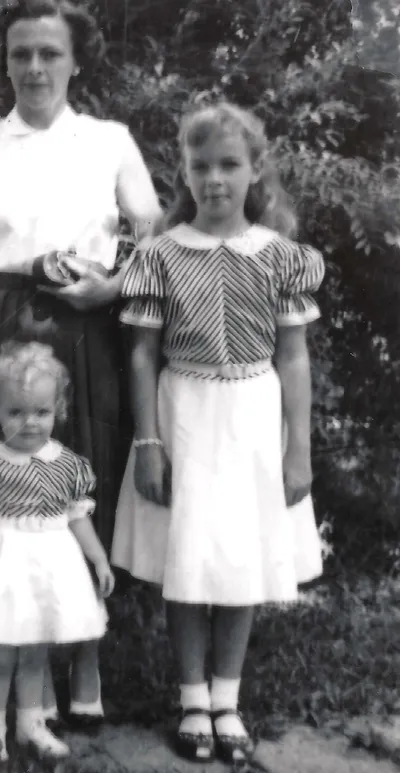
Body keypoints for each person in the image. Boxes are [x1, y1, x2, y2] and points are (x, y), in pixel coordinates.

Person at [0, 0, 162, 728]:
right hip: (4, 330)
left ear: (75, 61)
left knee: (80, 483)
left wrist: (113, 283)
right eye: (20, 53)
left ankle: (87, 660)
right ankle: (4, 657)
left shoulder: (109, 140)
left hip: (87, 327)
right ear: (5, 61)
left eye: (49, 53)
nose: (35, 68)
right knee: (5, 491)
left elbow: (152, 236)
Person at [111, 102, 325, 764]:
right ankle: (191, 699)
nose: (215, 180)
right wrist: (148, 440)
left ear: (255, 170)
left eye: (229, 165)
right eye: (201, 166)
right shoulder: (159, 255)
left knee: (239, 560)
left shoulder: (283, 257)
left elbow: (293, 355)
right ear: (185, 171)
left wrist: (298, 449)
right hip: (185, 414)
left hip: (253, 417)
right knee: (189, 558)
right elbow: (143, 353)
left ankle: (227, 697)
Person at [0, 342, 114, 762]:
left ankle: (31, 726)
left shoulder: (67, 464)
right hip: (1, 564)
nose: (29, 423)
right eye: (16, 412)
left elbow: (77, 515)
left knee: (35, 652)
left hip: (51, 564)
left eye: (41, 412)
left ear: (58, 410)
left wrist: (98, 558)